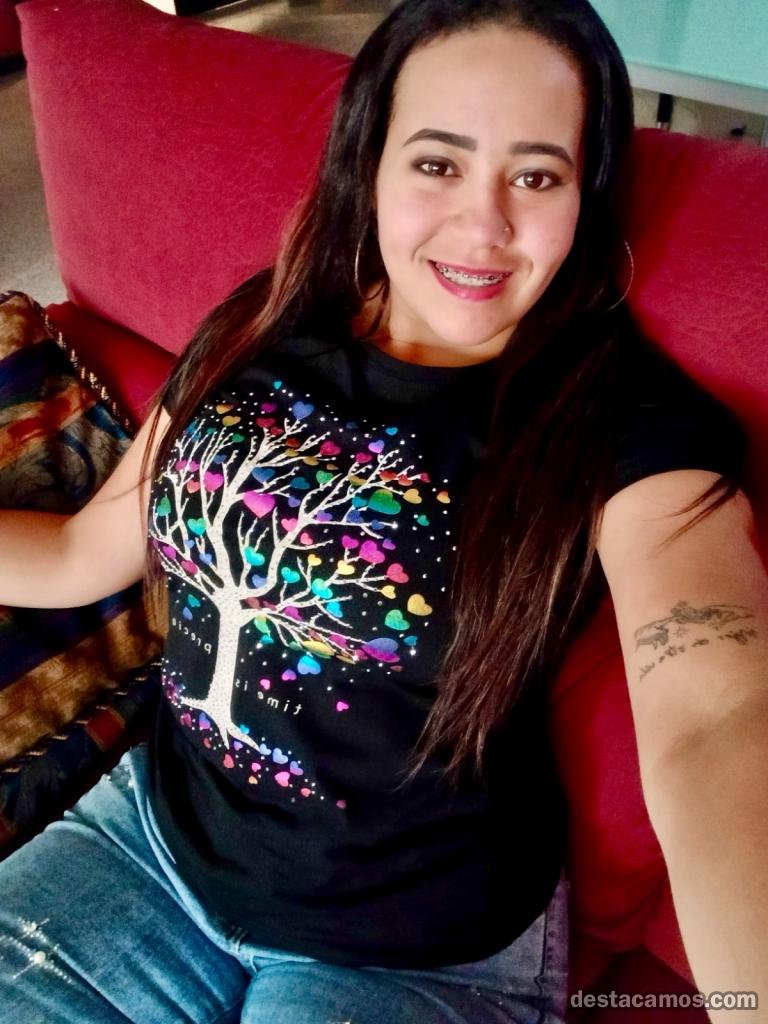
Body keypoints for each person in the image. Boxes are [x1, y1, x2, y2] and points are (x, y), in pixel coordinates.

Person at [1, 1, 766, 1022]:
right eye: (438, 163)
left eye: (537, 176)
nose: (484, 226)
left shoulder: (626, 421)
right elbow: (79, 553)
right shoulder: (262, 323)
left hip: (420, 952)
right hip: (147, 844)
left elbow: (716, 718)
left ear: (586, 197)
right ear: (368, 164)